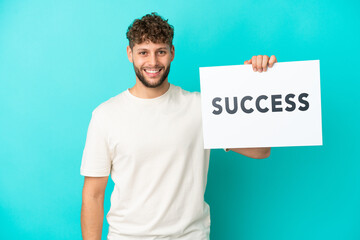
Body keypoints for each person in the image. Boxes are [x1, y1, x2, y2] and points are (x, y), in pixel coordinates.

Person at [80, 12, 276, 240]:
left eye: (160, 52)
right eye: (143, 52)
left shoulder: (201, 107)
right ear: (130, 54)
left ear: (172, 53)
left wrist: (258, 83)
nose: (152, 62)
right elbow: (93, 195)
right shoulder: (106, 115)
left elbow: (261, 150)